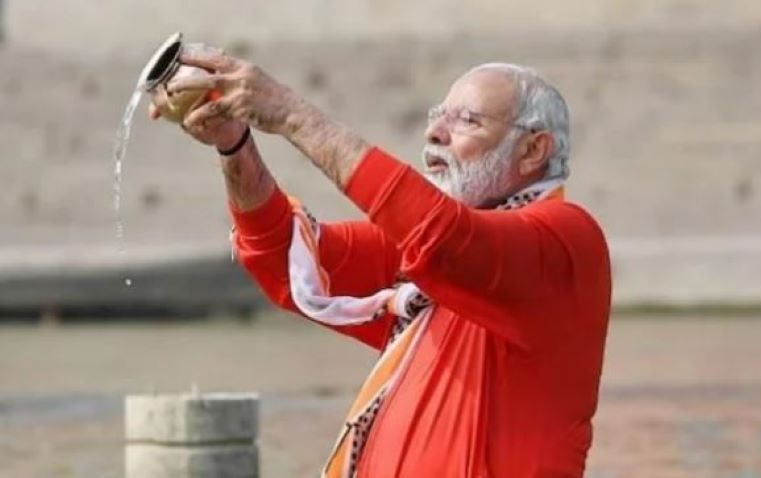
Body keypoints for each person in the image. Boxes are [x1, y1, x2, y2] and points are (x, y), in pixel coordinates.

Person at [151, 46, 611, 478]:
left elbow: (441, 236)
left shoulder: (566, 241)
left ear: (533, 150)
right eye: (438, 117)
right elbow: (285, 256)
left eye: (467, 121)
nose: (435, 133)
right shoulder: (426, 269)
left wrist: (290, 113)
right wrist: (234, 145)